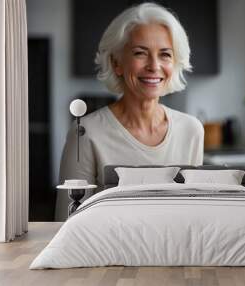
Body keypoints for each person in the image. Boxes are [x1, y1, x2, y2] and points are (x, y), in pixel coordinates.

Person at [55, 3, 204, 221]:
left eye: (165, 54)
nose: (154, 66)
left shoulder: (191, 131)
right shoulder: (85, 133)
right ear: (117, 63)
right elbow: (66, 223)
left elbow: (193, 215)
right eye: (140, 53)